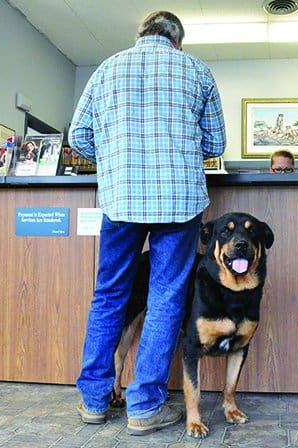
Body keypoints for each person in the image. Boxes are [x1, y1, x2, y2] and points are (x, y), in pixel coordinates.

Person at [68, 10, 226, 436]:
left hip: (120, 200)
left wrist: (117, 156)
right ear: (177, 40)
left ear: (141, 35)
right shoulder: (195, 69)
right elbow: (216, 142)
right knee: (165, 298)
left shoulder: (106, 69)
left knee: (108, 295)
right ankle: (144, 406)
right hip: (178, 201)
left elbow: (78, 136)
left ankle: (94, 400)